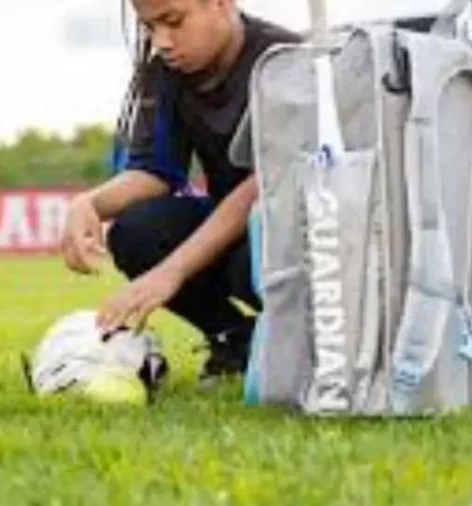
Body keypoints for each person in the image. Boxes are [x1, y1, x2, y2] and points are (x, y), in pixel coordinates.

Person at [61, 0, 301, 387]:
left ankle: (295, 341)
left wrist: (169, 273)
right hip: (230, 228)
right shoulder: (164, 74)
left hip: (289, 236)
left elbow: (265, 185)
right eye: (150, 27)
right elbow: (155, 172)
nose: (162, 42)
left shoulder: (286, 63)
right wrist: (88, 203)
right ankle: (235, 338)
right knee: (136, 231)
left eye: (173, 22)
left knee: (255, 252)